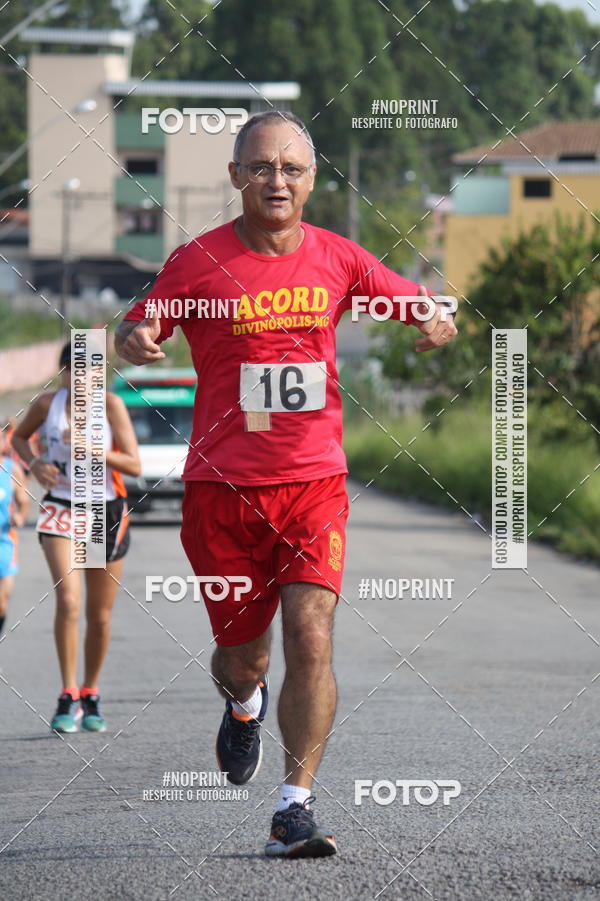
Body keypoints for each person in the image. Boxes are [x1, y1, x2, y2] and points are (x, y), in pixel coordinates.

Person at [115, 110, 458, 857]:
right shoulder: (198, 262)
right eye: (262, 167)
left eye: (292, 168)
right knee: (245, 657)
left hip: (312, 485)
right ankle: (243, 703)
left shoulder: (339, 257)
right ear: (237, 175)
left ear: (311, 179)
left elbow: (417, 303)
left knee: (311, 635)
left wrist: (434, 320)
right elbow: (137, 327)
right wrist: (134, 337)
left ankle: (293, 807)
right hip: (223, 491)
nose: (278, 180)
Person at [12, 341, 141, 733]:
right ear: (63, 372)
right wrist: (35, 463)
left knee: (98, 616)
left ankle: (90, 692)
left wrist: (90, 448)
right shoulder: (46, 404)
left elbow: (134, 464)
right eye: (74, 369)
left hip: (104, 510)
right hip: (62, 507)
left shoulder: (111, 406)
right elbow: (18, 438)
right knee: (68, 601)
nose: (82, 378)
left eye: (90, 370)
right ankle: (67, 694)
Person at [0, 422, 29, 641]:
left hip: (4, 543)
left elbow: (23, 502)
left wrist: (19, 516)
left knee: (1, 603)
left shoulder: (12, 469)